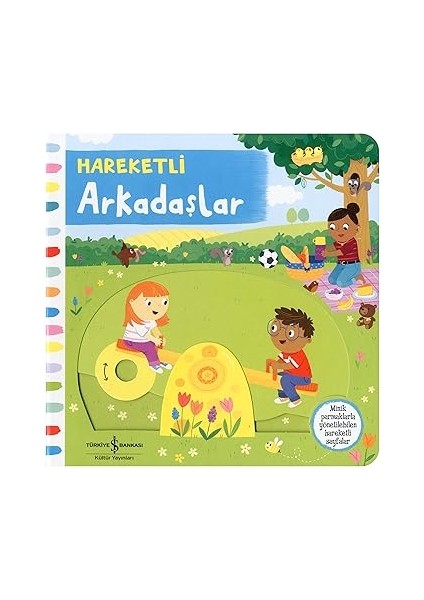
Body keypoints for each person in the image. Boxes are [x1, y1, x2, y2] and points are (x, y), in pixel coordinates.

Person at [267, 307, 314, 408]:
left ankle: (295, 399)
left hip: (303, 378)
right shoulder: (286, 351)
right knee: (280, 376)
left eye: (290, 333)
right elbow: (281, 360)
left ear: (307, 340)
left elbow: (290, 365)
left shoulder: (298, 354)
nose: (281, 337)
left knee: (285, 380)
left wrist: (278, 365)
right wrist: (276, 364)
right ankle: (283, 396)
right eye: (275, 328)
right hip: (292, 374)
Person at [122, 281, 171, 374]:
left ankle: (158, 361)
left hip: (142, 340)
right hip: (132, 341)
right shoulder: (136, 322)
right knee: (149, 347)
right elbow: (144, 334)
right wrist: (154, 340)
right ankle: (154, 364)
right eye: (149, 303)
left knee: (154, 345)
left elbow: (155, 330)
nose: (158, 307)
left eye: (164, 302)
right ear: (132, 302)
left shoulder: (150, 319)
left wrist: (160, 337)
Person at [325, 202, 365, 288]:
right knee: (331, 280)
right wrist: (322, 249)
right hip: (340, 265)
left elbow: (340, 252)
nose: (339, 231)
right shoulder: (338, 242)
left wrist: (328, 254)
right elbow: (331, 247)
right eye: (332, 228)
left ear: (357, 227)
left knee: (341, 283)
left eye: (345, 227)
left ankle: (357, 277)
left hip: (352, 265)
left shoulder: (351, 242)